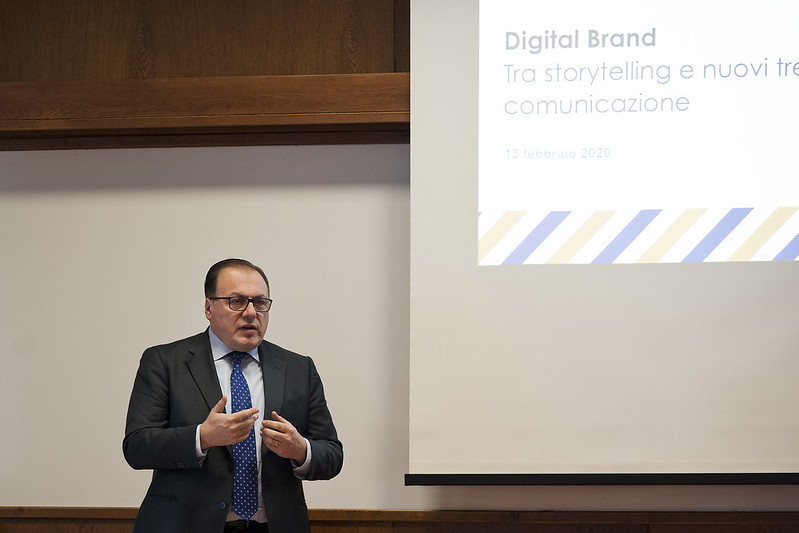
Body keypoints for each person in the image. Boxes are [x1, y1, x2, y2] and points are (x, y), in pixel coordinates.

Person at [123, 258, 343, 533]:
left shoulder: (299, 368)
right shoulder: (165, 361)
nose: (251, 312)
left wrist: (301, 450)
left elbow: (332, 454)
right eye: (236, 301)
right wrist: (202, 437)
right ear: (208, 307)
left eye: (260, 302)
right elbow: (137, 447)